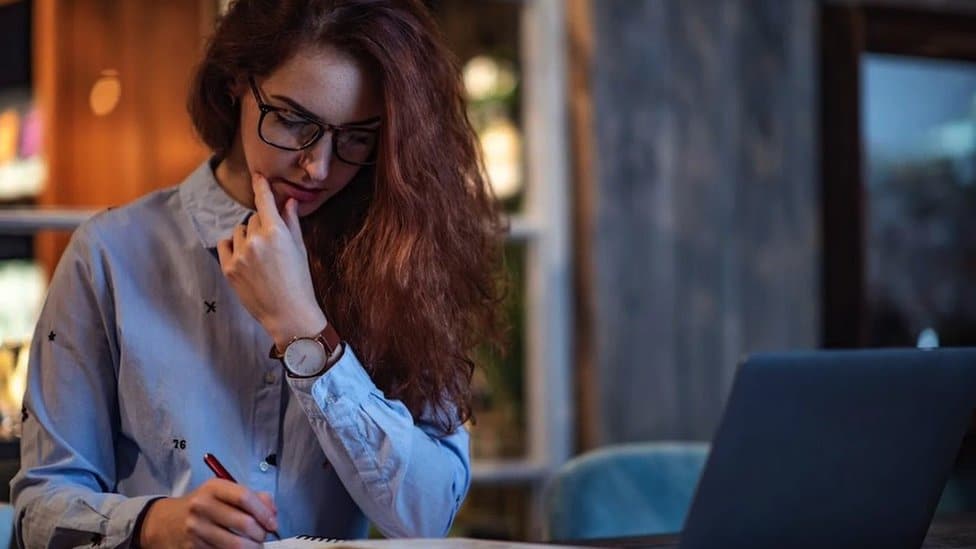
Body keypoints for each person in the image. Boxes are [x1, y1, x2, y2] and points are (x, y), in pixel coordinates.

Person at [11, 0, 505, 546]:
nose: (318, 165)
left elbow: (427, 517)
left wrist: (303, 330)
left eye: (358, 137)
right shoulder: (111, 255)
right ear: (234, 85)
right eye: (294, 122)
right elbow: (37, 512)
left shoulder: (403, 259)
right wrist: (154, 524)